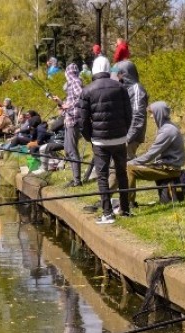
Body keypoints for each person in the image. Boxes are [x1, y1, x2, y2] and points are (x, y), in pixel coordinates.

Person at [76, 64, 133, 224]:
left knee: (102, 176)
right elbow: (129, 114)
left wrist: (90, 137)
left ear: (94, 71)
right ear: (107, 70)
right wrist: (124, 132)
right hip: (120, 139)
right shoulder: (120, 87)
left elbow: (82, 120)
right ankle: (125, 209)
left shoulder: (87, 90)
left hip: (99, 141)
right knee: (122, 174)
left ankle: (107, 213)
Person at [127, 101, 185, 207]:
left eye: (152, 113)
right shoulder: (167, 127)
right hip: (166, 166)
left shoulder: (167, 131)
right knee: (131, 166)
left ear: (160, 113)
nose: (151, 116)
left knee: (129, 169)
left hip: (169, 169)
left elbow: (151, 155)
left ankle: (128, 203)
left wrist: (131, 162)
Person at [51, 63, 84, 187]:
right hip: (69, 119)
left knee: (71, 150)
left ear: (69, 73)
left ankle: (77, 181)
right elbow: (71, 101)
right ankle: (75, 178)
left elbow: (82, 97)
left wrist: (68, 105)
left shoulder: (75, 81)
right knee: (67, 148)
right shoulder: (71, 84)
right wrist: (60, 102)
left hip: (73, 120)